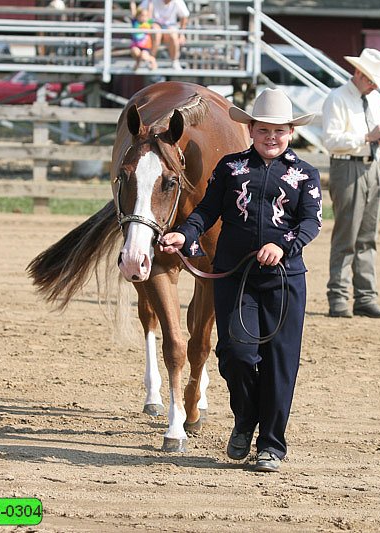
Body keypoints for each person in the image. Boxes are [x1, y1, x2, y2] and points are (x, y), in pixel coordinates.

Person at [158, 89, 322, 472]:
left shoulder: (305, 175)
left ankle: (271, 445)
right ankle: (245, 420)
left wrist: (284, 245)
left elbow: (310, 222)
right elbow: (206, 210)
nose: (271, 137)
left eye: (279, 131)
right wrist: (186, 233)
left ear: (290, 133)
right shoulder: (230, 169)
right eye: (263, 129)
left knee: (281, 364)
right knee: (236, 355)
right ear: (250, 129)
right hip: (236, 277)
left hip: (284, 280)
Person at [321, 48, 380, 319]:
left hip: (372, 166)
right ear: (359, 72)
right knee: (347, 235)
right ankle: (338, 297)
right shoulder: (337, 98)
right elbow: (330, 140)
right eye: (371, 78)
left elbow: (379, 132)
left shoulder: (375, 99)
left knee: (367, 235)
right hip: (346, 166)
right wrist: (367, 137)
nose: (374, 85)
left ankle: (365, 296)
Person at [139, 0, 188, 70]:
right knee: (156, 31)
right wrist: (146, 22)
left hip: (170, 27)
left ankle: (174, 61)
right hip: (154, 25)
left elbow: (184, 16)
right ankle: (151, 60)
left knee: (173, 36)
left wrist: (182, 34)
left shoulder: (178, 1)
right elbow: (140, 11)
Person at [129, 0, 156, 70]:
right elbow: (133, 11)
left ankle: (152, 59)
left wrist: (150, 2)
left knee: (144, 56)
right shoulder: (135, 22)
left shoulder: (148, 23)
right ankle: (138, 62)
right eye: (142, 15)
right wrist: (132, 2)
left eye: (145, 16)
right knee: (134, 51)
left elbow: (150, 11)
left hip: (145, 46)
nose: (144, 17)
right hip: (136, 45)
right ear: (137, 16)